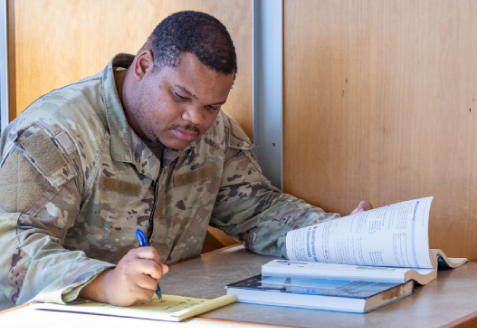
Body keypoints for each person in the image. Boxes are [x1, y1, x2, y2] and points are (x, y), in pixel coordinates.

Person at [0, 11, 373, 310]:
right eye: (181, 96)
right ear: (144, 65)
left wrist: (338, 237)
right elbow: (8, 247)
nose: (196, 119)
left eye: (212, 106)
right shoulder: (54, 132)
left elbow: (259, 211)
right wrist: (104, 282)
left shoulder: (216, 133)